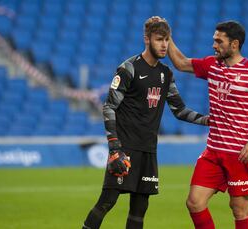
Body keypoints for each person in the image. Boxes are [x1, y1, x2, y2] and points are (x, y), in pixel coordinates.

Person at [82, 16, 209, 229]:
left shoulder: (166, 74)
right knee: (107, 202)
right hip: (125, 149)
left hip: (148, 150)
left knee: (140, 210)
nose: (164, 45)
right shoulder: (128, 68)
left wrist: (208, 120)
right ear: (146, 39)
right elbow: (109, 107)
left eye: (167, 40)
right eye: (159, 39)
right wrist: (114, 148)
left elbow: (179, 110)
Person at [167, 20, 248, 229]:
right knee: (194, 202)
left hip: (240, 153)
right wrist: (167, 35)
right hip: (213, 151)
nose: (214, 45)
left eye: (219, 41)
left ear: (234, 44)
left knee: (238, 208)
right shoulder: (211, 65)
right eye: (214, 40)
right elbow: (181, 63)